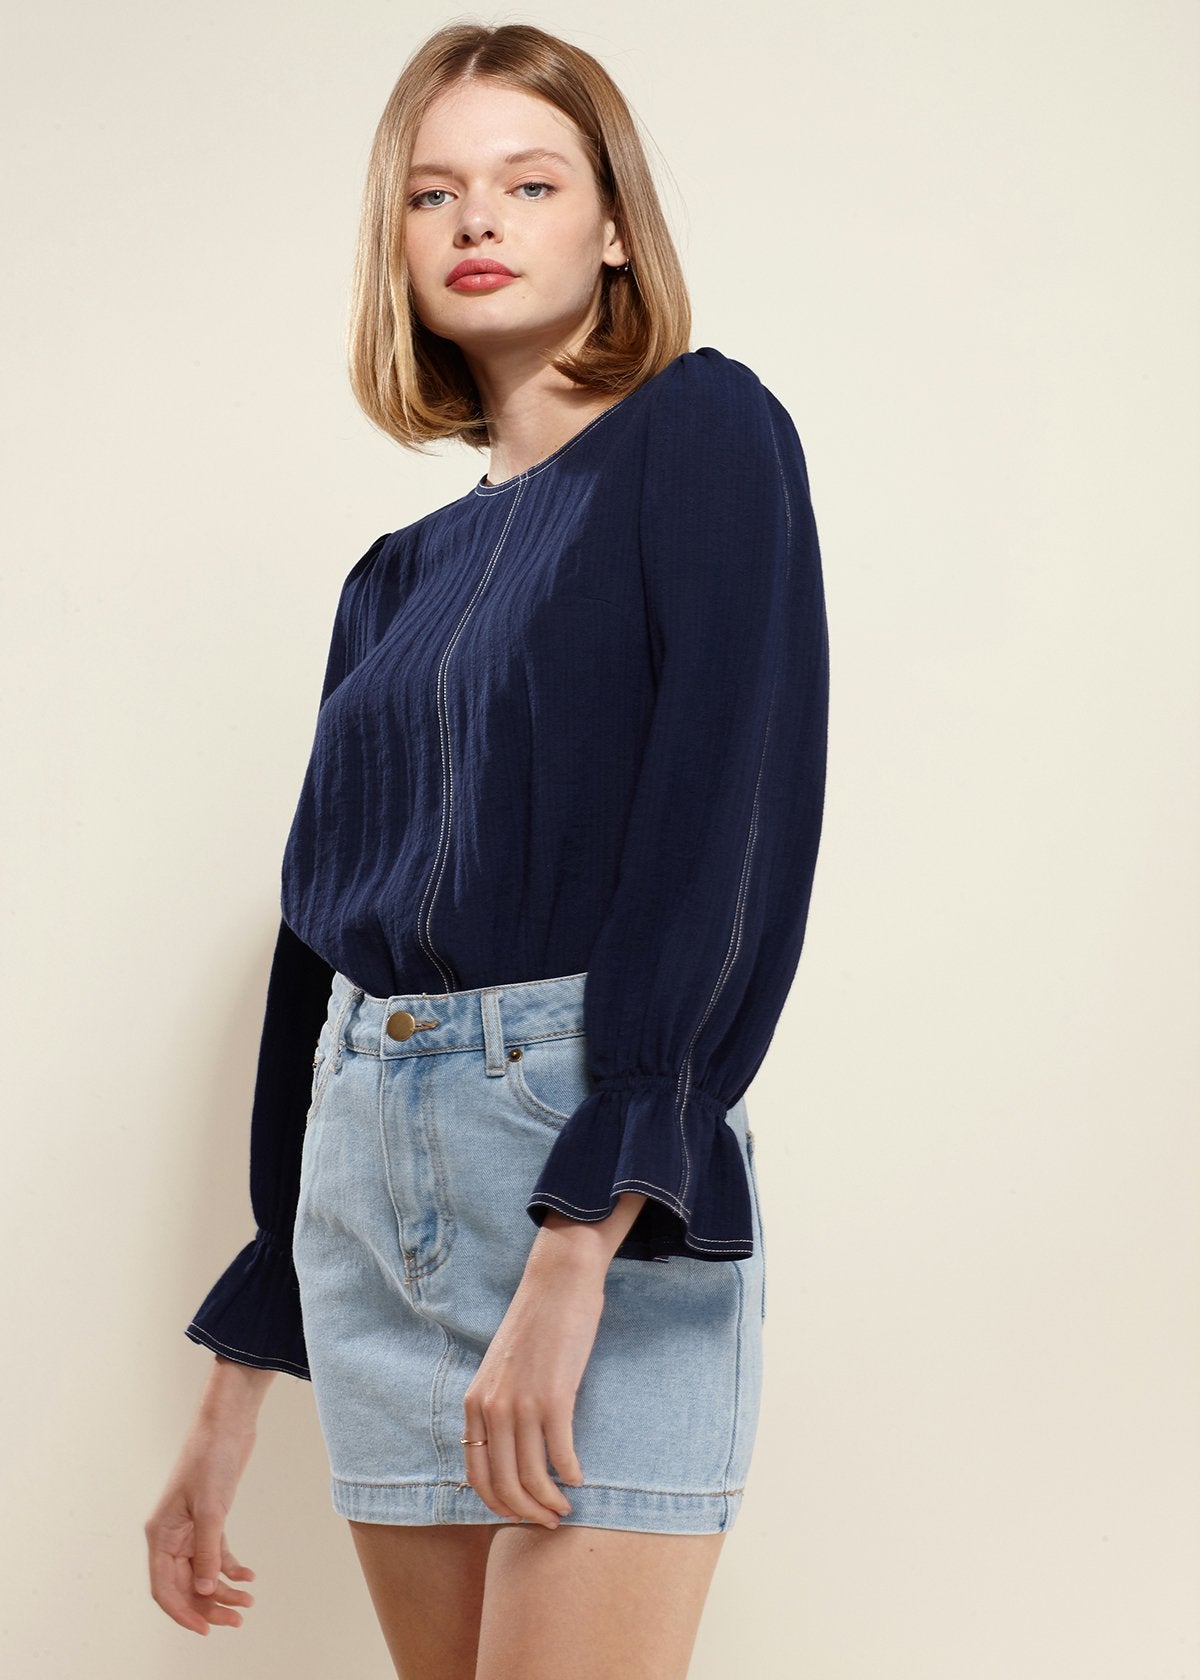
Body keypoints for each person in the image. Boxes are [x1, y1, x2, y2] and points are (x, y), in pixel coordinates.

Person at [144, 20, 829, 1679]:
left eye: (531, 182)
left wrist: (582, 1236)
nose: (478, 220)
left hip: (584, 1148)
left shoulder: (706, 434)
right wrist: (246, 1358)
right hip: (364, 1185)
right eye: (435, 192)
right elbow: (323, 949)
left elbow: (728, 820)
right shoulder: (389, 579)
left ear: (611, 224)